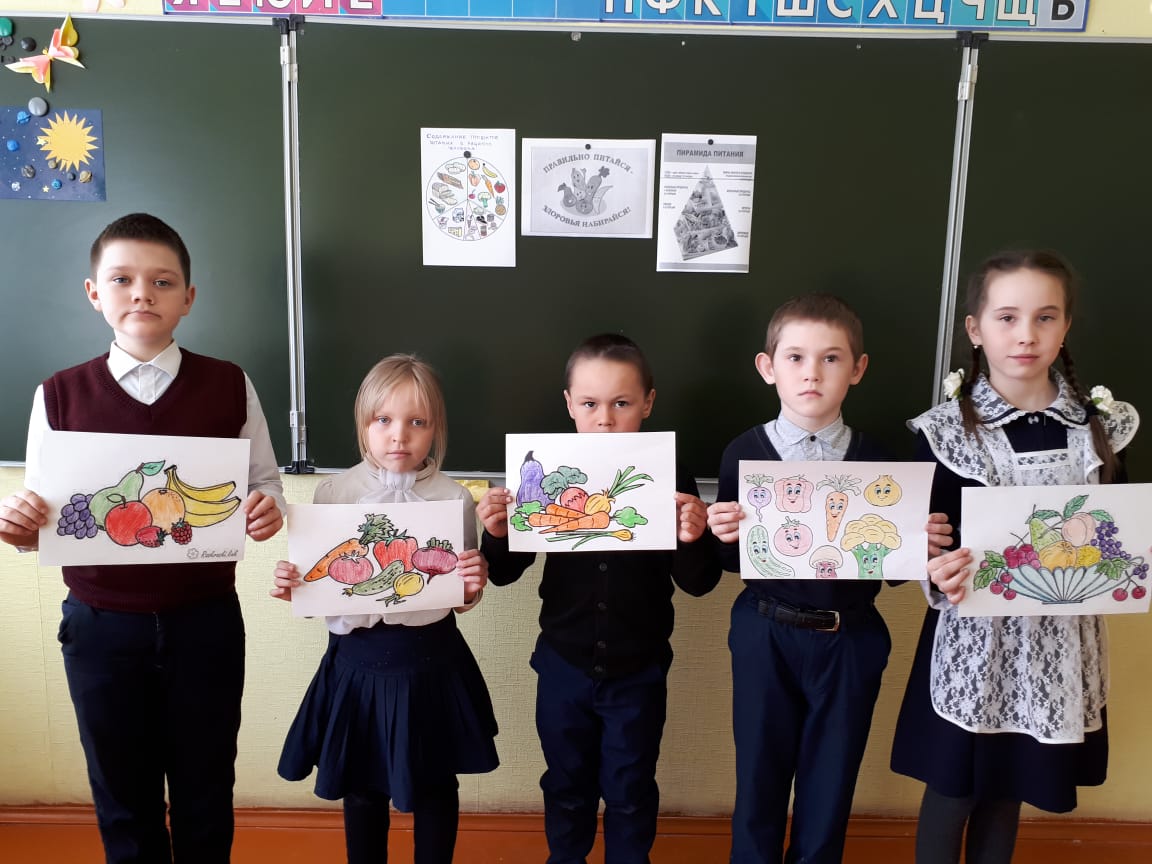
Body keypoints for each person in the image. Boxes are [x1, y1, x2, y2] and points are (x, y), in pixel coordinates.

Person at [0, 212, 286, 864]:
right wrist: (19, 530)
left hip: (205, 623)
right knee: (122, 796)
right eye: (122, 279)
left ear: (188, 297)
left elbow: (263, 484)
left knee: (205, 790)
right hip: (100, 628)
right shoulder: (59, 396)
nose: (142, 294)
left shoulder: (229, 384)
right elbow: (46, 519)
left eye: (162, 281)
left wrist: (267, 510)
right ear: (94, 293)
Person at [890, 250, 1139, 864]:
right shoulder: (945, 433)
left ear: (1065, 327)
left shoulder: (1098, 428)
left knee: (1010, 787)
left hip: (1058, 643)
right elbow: (924, 539)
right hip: (971, 643)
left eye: (1045, 317)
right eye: (1007, 317)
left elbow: (1119, 533)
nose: (1026, 334)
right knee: (953, 787)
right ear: (975, 329)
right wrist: (932, 566)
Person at [707, 294, 948, 864]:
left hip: (851, 636)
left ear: (857, 369)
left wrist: (920, 543)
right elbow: (733, 564)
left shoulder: (880, 461)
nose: (811, 373)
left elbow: (891, 571)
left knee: (831, 780)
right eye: (795, 357)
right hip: (765, 630)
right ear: (768, 367)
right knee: (759, 775)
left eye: (831, 358)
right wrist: (721, 533)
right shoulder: (743, 453)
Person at [476, 333, 720, 864]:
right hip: (563, 666)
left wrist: (693, 536)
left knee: (631, 788)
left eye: (621, 403)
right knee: (566, 783)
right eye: (589, 403)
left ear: (648, 403)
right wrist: (497, 533)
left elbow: (699, 583)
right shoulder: (543, 473)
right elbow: (505, 574)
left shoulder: (670, 475)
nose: (605, 419)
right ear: (569, 403)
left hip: (639, 670)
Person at [271, 354, 497, 864]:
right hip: (356, 662)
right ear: (363, 425)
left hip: (430, 662)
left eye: (417, 422)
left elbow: (462, 598)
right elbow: (320, 583)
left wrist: (473, 583)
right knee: (361, 784)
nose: (400, 436)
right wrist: (293, 586)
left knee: (435, 784)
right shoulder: (333, 492)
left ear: (435, 429)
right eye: (384, 420)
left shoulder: (454, 498)